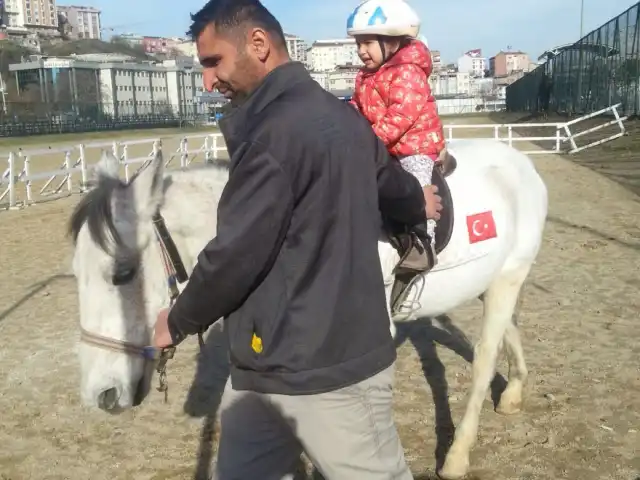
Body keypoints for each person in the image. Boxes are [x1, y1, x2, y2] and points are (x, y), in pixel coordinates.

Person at [152, 0, 441, 478]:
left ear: (259, 45)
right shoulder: (344, 117)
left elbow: (236, 253)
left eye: (212, 62)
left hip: (329, 376)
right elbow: (391, 186)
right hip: (267, 371)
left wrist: (176, 320)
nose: (208, 80)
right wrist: (417, 204)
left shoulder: (271, 135)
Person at [347, 0, 445, 262]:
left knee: (416, 182)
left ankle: (423, 241)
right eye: (358, 44)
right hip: (383, 145)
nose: (361, 50)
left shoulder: (408, 72)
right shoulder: (364, 76)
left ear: (391, 42)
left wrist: (369, 142)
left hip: (414, 144)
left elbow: (401, 117)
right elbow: (356, 106)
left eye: (367, 42)